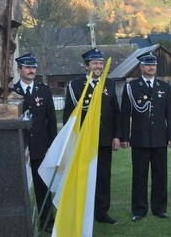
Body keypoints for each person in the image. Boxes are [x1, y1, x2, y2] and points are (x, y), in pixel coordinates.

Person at [63, 48, 121, 225]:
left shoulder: (109, 84)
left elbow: (116, 113)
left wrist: (116, 136)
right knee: (84, 177)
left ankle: (101, 212)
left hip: (104, 139)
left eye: (101, 63)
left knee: (103, 178)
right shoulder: (75, 86)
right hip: (84, 140)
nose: (99, 66)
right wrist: (72, 139)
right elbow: (69, 115)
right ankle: (83, 210)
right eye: (95, 63)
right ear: (86, 65)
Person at [120, 51, 171, 222]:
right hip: (139, 138)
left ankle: (159, 208)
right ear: (141, 67)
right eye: (147, 65)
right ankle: (139, 209)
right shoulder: (131, 87)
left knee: (160, 175)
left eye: (153, 65)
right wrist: (124, 137)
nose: (151, 68)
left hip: (160, 138)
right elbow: (125, 114)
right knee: (139, 176)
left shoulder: (165, 87)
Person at [12, 53, 57, 233]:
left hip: (40, 146)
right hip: (18, 146)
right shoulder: (11, 91)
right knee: (18, 186)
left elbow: (51, 120)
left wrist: (51, 146)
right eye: (27, 67)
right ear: (19, 69)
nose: (31, 71)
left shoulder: (43, 90)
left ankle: (47, 221)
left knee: (42, 186)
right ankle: (20, 221)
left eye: (33, 67)